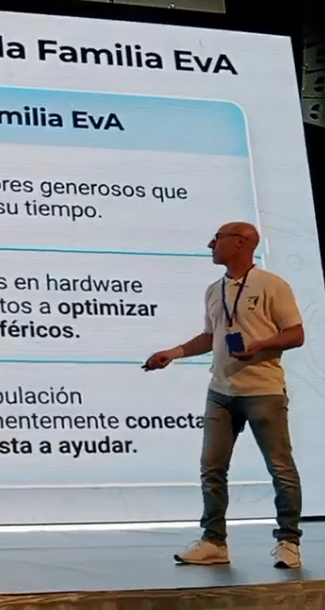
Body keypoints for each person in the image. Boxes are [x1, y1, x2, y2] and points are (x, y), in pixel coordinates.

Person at [143, 222, 304, 569]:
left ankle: (289, 541)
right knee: (212, 467)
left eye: (217, 238)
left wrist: (261, 345)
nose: (210, 244)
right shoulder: (214, 289)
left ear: (241, 242)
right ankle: (214, 541)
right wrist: (173, 353)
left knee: (280, 468)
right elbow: (210, 335)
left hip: (263, 392)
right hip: (220, 392)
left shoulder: (271, 285)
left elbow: (295, 334)